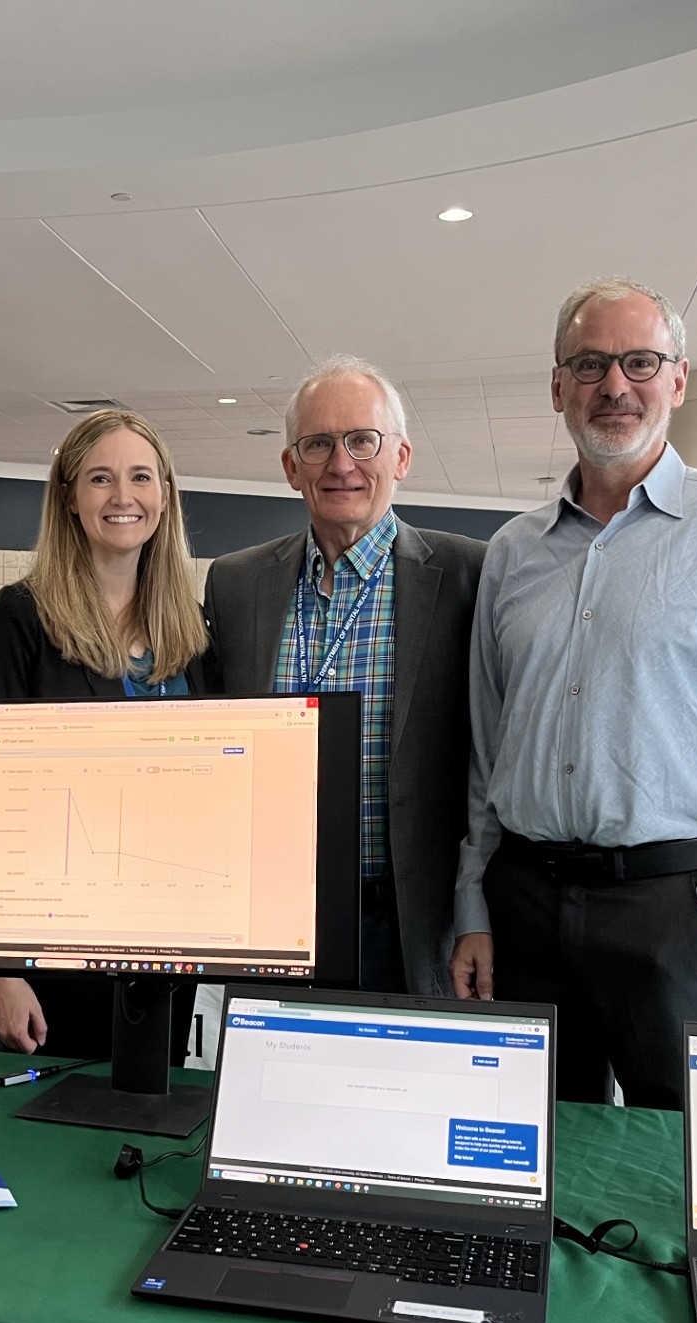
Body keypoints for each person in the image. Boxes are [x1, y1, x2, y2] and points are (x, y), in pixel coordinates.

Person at [450, 276, 697, 1110]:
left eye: (639, 362)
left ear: (678, 380)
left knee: (693, 1174)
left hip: (676, 906)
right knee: (532, 1159)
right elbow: (487, 749)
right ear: (557, 387)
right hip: (526, 908)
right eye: (588, 364)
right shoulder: (513, 553)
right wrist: (474, 904)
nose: (614, 385)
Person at [205, 355, 485, 996]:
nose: (341, 463)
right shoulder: (236, 582)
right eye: (318, 444)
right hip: (273, 915)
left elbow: (493, 761)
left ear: (401, 457)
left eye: (363, 440)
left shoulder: (469, 576)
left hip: (412, 921)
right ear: (289, 467)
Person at [0, 410, 212, 1059]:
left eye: (141, 477)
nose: (123, 497)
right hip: (53, 938)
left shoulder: (191, 634)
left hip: (170, 934)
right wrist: (1, 971)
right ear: (70, 498)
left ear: (165, 494)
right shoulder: (22, 618)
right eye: (101, 479)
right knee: (58, 1123)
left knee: (151, 1105)